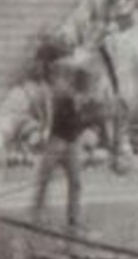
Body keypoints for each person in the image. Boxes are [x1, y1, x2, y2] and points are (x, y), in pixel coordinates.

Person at [31, 62, 98, 231]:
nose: (86, 96)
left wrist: (89, 120)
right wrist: (84, 119)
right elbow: (68, 122)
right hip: (57, 141)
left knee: (75, 182)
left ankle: (73, 219)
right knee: (44, 178)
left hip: (72, 142)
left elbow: (81, 123)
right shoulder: (62, 97)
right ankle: (37, 215)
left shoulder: (82, 100)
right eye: (84, 92)